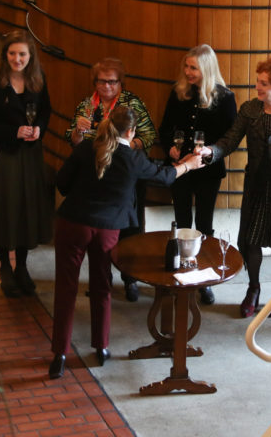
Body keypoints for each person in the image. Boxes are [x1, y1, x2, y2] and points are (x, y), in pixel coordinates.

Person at [50, 105, 203, 379]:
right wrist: (188, 164)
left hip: (72, 224)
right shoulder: (133, 158)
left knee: (65, 289)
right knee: (102, 286)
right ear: (131, 131)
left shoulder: (86, 148)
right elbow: (166, 176)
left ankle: (59, 354)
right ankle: (101, 347)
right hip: (107, 229)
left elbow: (61, 182)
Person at [196, 57, 271, 318]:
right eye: (258, 81)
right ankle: (253, 288)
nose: (258, 87)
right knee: (250, 240)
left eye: (264, 83)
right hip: (257, 186)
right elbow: (229, 141)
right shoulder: (250, 109)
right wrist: (210, 151)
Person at [64, 57, 157, 302]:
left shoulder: (131, 103)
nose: (106, 86)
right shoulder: (87, 105)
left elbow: (148, 135)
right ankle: (102, 280)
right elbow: (73, 141)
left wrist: (123, 148)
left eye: (112, 82)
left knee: (129, 229)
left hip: (125, 177)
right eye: (101, 81)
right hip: (96, 178)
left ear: (120, 83)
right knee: (101, 235)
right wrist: (78, 132)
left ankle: (130, 280)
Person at [0, 31, 53, 298]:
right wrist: (13, 131)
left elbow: (45, 112)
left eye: (22, 54)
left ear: (30, 57)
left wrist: (39, 129)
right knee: (4, 210)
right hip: (4, 155)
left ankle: (22, 266)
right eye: (12, 53)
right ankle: (5, 266)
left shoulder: (37, 81)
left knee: (25, 209)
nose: (17, 59)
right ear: (4, 55)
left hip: (30, 156)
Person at [158, 44, 237, 305]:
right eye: (187, 66)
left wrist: (209, 153)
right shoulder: (178, 92)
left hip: (208, 170)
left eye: (194, 68)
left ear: (207, 69)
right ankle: (180, 274)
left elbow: (229, 139)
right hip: (179, 166)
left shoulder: (224, 98)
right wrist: (170, 148)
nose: (188, 72)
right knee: (181, 222)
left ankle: (204, 277)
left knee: (204, 225)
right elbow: (165, 128)